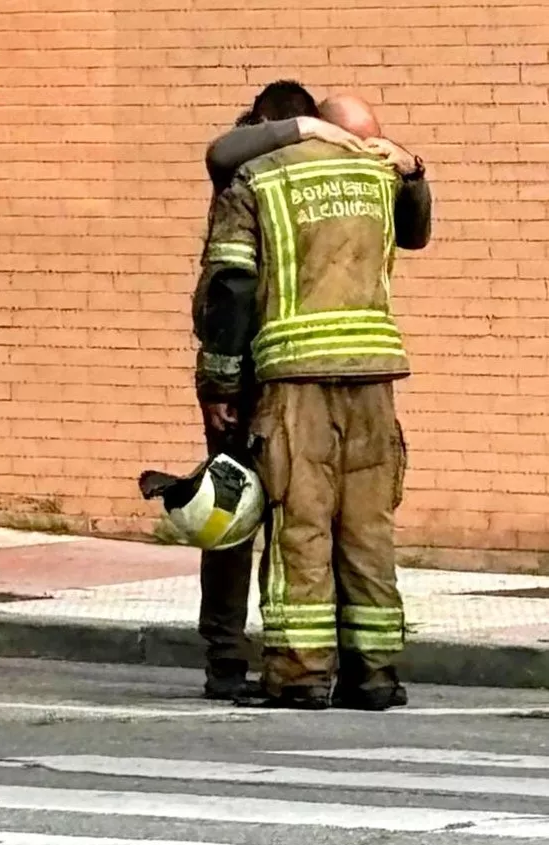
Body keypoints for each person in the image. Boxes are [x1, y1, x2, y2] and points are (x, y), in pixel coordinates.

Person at [194, 80, 432, 711]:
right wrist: (410, 165)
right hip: (374, 379)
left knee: (300, 525)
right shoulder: (382, 173)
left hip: (293, 377)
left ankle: (299, 675)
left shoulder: (259, 178)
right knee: (366, 528)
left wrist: (219, 381)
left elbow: (233, 285)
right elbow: (416, 234)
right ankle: (375, 674)